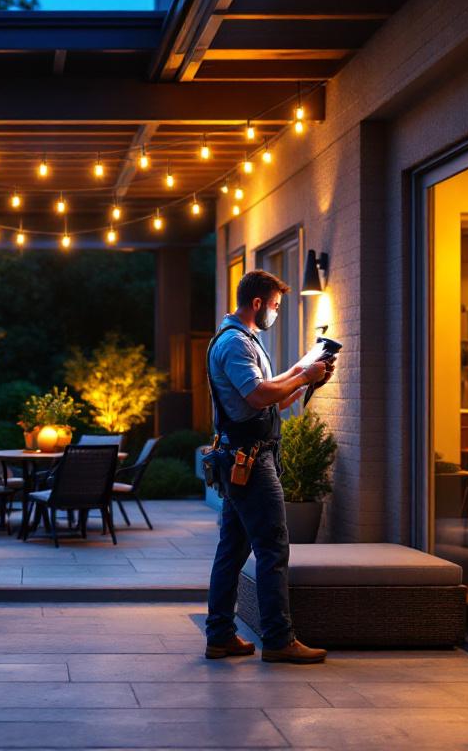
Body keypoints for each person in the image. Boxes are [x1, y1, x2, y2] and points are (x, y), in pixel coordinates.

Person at [203, 269, 334, 664]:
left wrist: (303, 374)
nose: (275, 312)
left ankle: (220, 635)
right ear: (257, 303)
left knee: (232, 549)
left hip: (244, 455)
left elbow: (266, 396)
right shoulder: (235, 345)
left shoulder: (243, 341)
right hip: (249, 460)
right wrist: (301, 377)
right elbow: (259, 395)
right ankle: (279, 640)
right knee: (273, 548)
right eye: (275, 306)